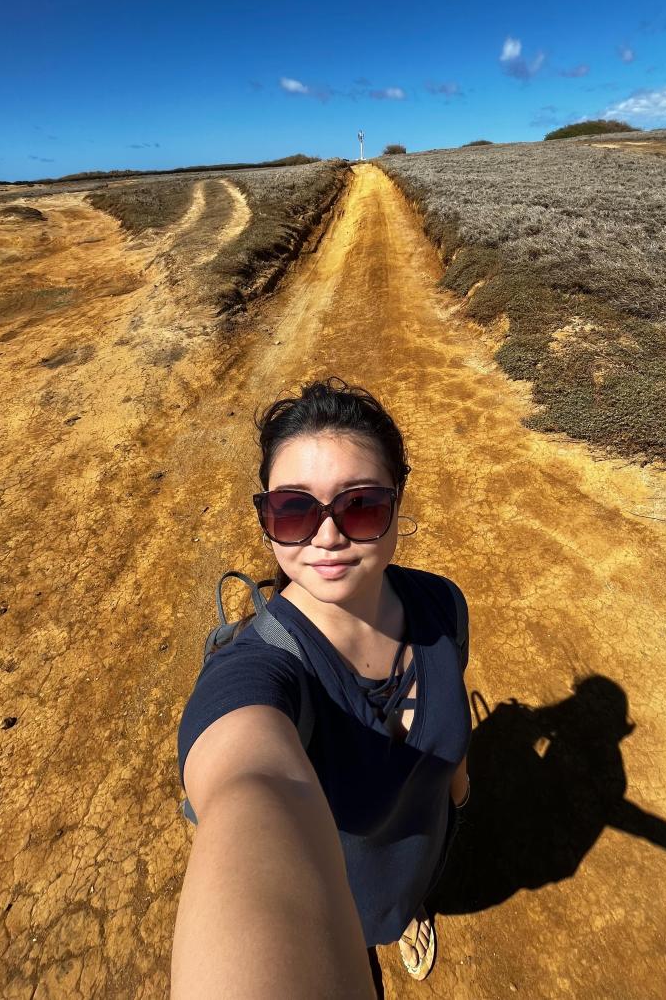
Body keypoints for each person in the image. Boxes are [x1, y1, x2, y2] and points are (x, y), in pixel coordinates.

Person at [171, 376, 472, 997]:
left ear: (397, 503)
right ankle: (368, 931)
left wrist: (460, 794)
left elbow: (453, 724)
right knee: (358, 920)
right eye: (294, 510)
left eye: (360, 505)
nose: (327, 536)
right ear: (267, 522)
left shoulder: (441, 604)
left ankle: (406, 909)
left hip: (424, 847)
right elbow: (249, 782)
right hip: (342, 896)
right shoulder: (262, 668)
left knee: (406, 891)